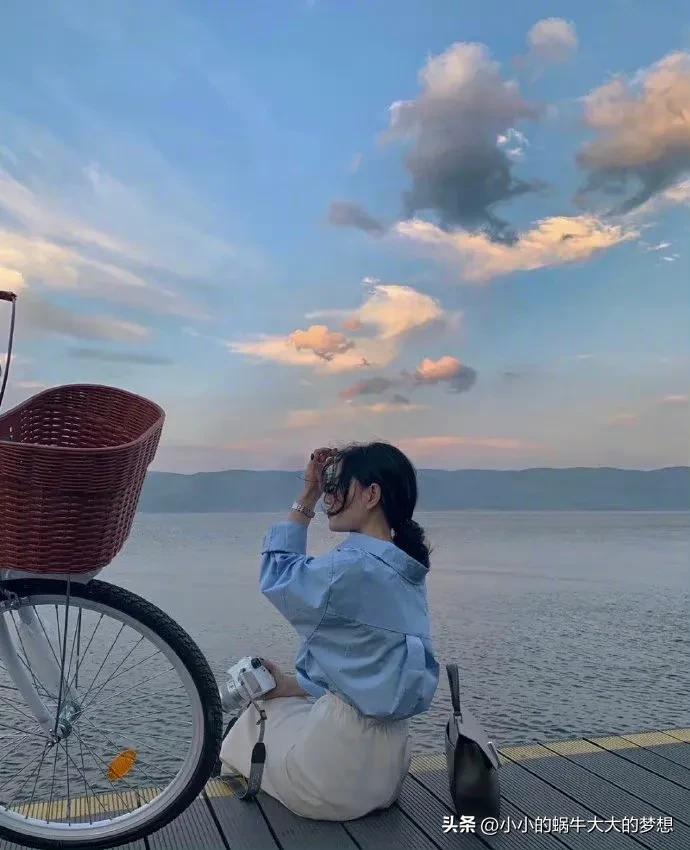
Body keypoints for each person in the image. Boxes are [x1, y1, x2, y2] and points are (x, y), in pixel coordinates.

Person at [220, 441, 439, 820]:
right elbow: (369, 678)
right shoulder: (407, 571)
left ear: (371, 495)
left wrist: (306, 496)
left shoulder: (351, 567)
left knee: (251, 721)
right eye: (326, 486)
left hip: (330, 780)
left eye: (337, 486)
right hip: (386, 773)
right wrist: (289, 684)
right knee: (283, 701)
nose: (329, 497)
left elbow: (277, 575)